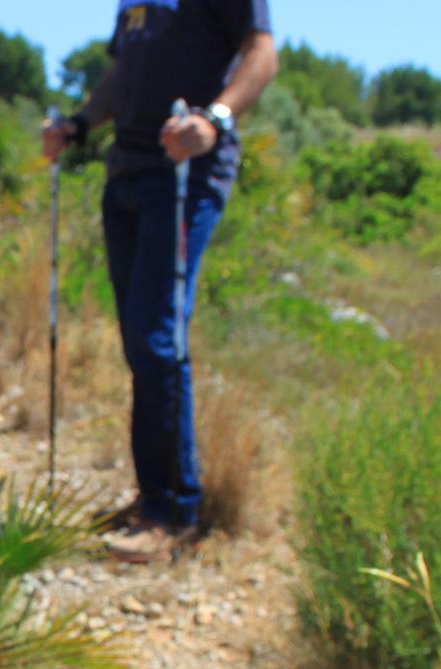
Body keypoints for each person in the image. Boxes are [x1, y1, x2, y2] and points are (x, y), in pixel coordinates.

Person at [43, 0, 277, 562]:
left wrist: (214, 119)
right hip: (125, 170)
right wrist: (78, 124)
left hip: (183, 174)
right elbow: (123, 72)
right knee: (138, 339)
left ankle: (175, 513)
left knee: (157, 337)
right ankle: (152, 496)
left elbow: (261, 52)